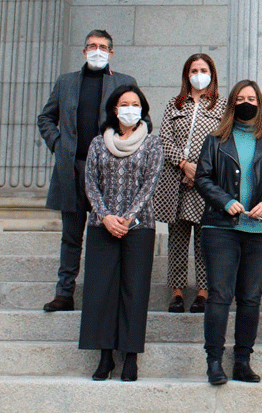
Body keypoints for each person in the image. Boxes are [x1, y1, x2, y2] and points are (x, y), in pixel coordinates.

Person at [38, 29, 148, 312]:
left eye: (102, 46)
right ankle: (64, 293)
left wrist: (124, 145)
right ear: (84, 50)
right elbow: (46, 118)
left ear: (111, 52)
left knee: (104, 234)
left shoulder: (125, 82)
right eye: (91, 46)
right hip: (73, 169)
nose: (97, 50)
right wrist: (59, 145)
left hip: (109, 172)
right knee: (71, 234)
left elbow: (142, 120)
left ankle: (100, 294)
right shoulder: (66, 82)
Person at [195, 80, 262, 385]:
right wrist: (226, 201)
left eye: (251, 98)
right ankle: (213, 361)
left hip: (259, 229)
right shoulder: (215, 140)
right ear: (232, 103)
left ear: (259, 104)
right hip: (220, 227)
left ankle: (242, 361)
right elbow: (203, 177)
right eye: (240, 98)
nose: (246, 102)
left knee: (250, 297)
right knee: (220, 294)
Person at [80, 85, 163, 382]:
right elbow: (91, 182)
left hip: (139, 227)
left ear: (142, 109)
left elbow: (150, 184)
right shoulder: (98, 143)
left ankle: (130, 358)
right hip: (102, 225)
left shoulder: (152, 144)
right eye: (124, 103)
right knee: (102, 290)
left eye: (135, 103)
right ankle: (104, 357)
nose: (130, 108)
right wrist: (106, 216)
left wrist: (127, 218)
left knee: (134, 291)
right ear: (115, 109)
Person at [153, 53, 226, 314]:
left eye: (203, 69)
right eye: (194, 70)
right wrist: (184, 164)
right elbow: (164, 137)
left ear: (212, 73)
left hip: (206, 180)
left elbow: (223, 141)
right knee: (178, 236)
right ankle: (177, 290)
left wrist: (201, 171)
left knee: (204, 236)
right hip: (177, 178)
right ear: (187, 74)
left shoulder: (220, 105)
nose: (198, 74)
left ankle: (204, 291)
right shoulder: (176, 104)